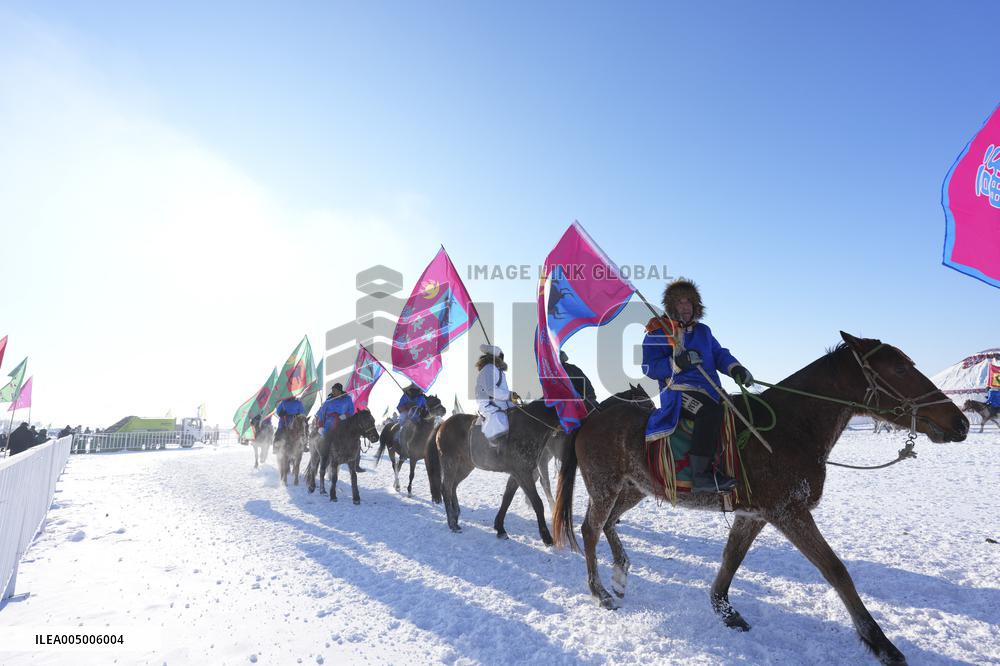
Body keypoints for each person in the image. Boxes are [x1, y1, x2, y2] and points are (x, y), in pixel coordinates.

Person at [641, 278, 754, 493]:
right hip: (678, 392)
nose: (685, 307)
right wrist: (677, 363)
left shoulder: (704, 331)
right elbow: (649, 368)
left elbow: (719, 354)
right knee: (710, 413)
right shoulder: (658, 331)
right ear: (671, 306)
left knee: (742, 410)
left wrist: (735, 369)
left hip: (711, 390)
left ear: (695, 306)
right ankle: (701, 475)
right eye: (679, 303)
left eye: (688, 303)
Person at [475, 344, 517, 446]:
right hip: (490, 407)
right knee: (501, 423)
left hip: (500, 405)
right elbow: (491, 390)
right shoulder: (489, 368)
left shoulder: (498, 371)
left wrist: (513, 402)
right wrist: (509, 395)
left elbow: (502, 392)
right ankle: (496, 453)